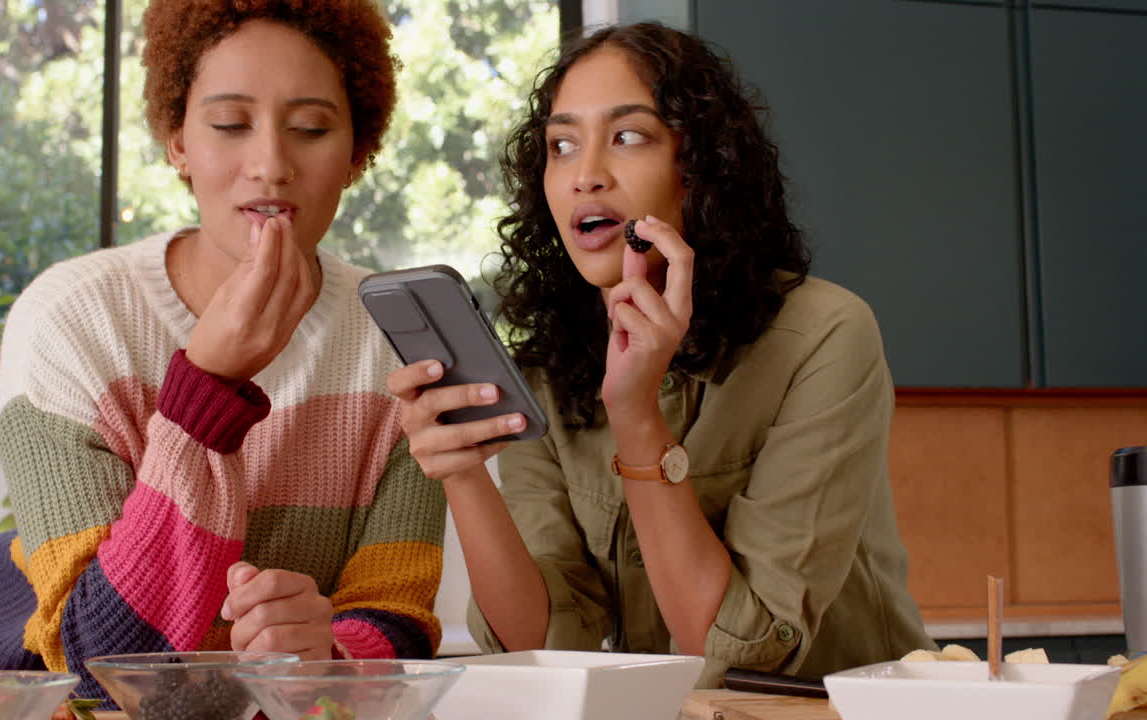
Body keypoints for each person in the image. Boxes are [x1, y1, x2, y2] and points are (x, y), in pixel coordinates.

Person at [0, 0, 445, 703]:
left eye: (310, 128)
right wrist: (208, 388)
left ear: (357, 152)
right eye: (228, 124)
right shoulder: (72, 319)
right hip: (4, 701)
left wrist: (326, 650)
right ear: (177, 140)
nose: (271, 165)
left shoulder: (394, 338)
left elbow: (396, 619)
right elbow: (104, 667)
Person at [387, 21, 935, 686]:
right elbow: (543, 641)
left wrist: (636, 413)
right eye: (561, 146)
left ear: (700, 168)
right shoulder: (547, 366)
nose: (585, 176)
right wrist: (465, 476)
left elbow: (741, 649)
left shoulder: (825, 334)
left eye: (627, 137)